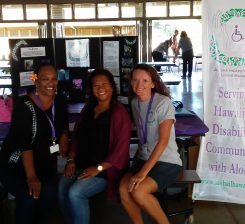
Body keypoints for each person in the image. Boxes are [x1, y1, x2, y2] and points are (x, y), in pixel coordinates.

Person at [0, 62, 69, 224]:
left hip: (45, 161)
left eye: (54, 79)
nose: (51, 83)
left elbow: (63, 123)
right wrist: (31, 177)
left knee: (50, 194)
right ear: (36, 81)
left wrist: (63, 136)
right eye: (45, 79)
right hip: (16, 164)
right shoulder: (24, 106)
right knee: (29, 195)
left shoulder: (59, 101)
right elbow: (25, 145)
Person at [58, 69, 131, 224]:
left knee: (75, 193)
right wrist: (71, 161)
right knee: (61, 189)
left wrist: (97, 169)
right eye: (96, 85)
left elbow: (120, 151)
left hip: (104, 170)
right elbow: (76, 137)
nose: (100, 88)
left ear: (112, 87)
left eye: (104, 84)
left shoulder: (119, 113)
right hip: (79, 164)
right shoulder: (88, 109)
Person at [119, 64, 182, 224]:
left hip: (166, 161)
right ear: (131, 82)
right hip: (143, 157)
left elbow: (163, 141)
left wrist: (143, 172)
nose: (140, 85)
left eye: (145, 81)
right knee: (124, 190)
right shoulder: (134, 103)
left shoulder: (163, 102)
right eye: (135, 80)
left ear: (153, 83)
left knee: (139, 191)